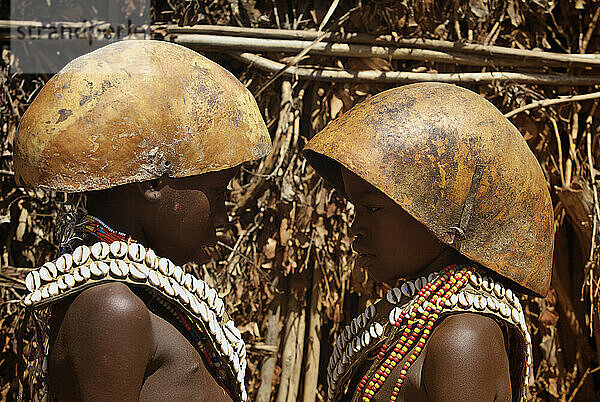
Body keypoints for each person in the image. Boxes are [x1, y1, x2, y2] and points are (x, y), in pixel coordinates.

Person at [15, 39, 271, 402]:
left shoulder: (135, 301)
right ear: (152, 183)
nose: (224, 214)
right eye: (218, 191)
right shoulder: (112, 309)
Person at [302, 82, 553, 402]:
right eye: (356, 209)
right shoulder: (419, 326)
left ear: (437, 210)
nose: (356, 228)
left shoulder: (463, 339)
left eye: (373, 208)